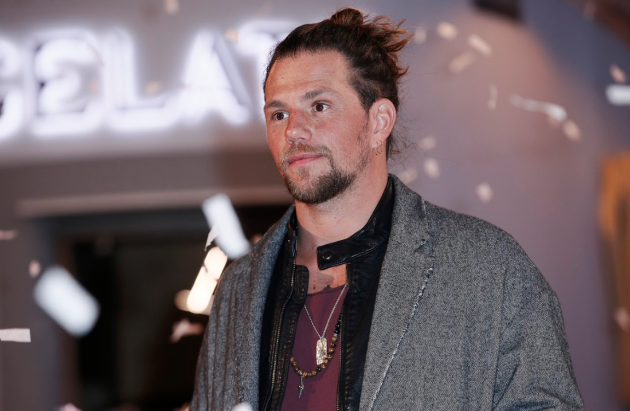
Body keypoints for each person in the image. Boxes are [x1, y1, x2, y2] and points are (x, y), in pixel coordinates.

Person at [191, 8, 584, 411]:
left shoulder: (488, 267)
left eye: (319, 106)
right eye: (278, 114)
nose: (293, 130)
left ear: (379, 121)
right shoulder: (238, 288)